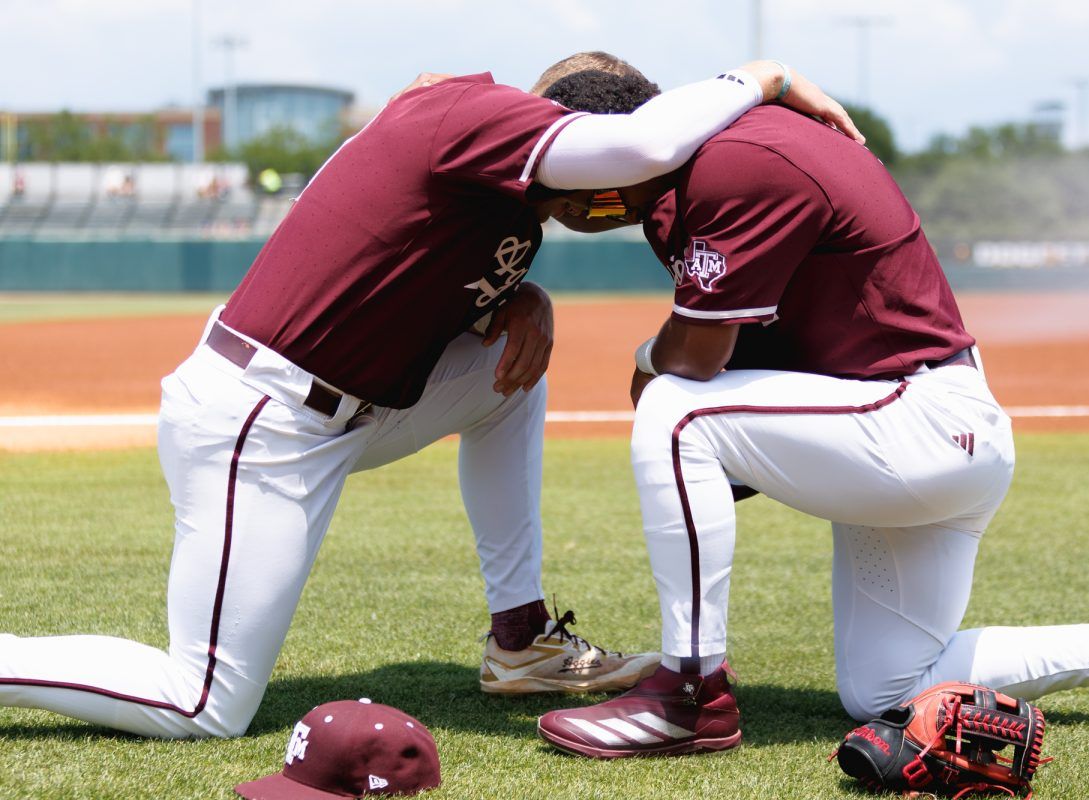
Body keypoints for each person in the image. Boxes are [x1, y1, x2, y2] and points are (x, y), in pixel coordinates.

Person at [0, 60, 861, 739]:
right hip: (257, 421)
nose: (628, 211)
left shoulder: (507, 191)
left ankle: (520, 640)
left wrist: (523, 298)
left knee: (513, 373)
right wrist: (766, 77)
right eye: (627, 200)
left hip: (349, 411)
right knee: (201, 702)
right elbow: (635, 149)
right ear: (576, 134)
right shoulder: (472, 115)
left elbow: (438, 270)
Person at [533, 65, 1089, 758]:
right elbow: (749, 353)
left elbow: (697, 360)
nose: (562, 204)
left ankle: (688, 694)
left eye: (567, 177)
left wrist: (647, 363)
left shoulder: (735, 160)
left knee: (676, 409)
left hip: (918, 421)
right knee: (886, 690)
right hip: (911, 426)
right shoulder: (702, 168)